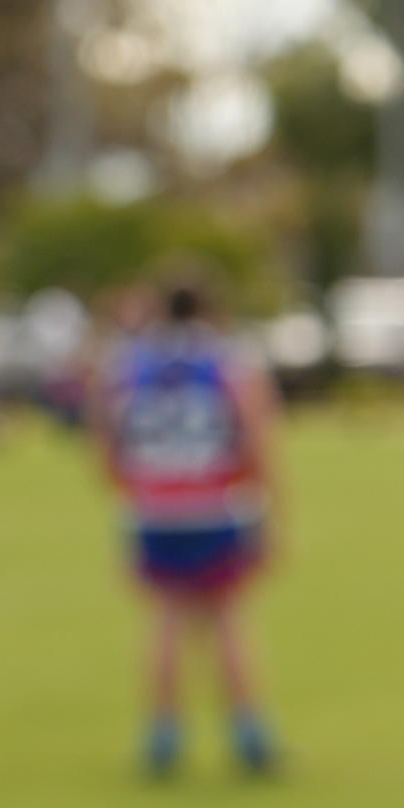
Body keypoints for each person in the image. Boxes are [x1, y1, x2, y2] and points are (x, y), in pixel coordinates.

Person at [94, 273, 285, 777]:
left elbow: (105, 433)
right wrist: (270, 507)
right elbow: (256, 433)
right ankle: (249, 734)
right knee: (227, 619)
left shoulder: (132, 362)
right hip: (217, 501)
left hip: (155, 504)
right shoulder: (227, 359)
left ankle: (163, 735)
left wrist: (126, 483)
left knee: (166, 620)